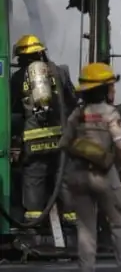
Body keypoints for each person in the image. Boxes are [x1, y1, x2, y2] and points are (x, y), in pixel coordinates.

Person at [58, 62, 121, 272]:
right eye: (111, 86)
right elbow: (120, 145)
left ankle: (86, 269)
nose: (113, 90)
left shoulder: (77, 114)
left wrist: (83, 148)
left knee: (85, 228)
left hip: (78, 176)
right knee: (119, 223)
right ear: (103, 89)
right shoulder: (110, 113)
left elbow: (64, 144)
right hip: (104, 175)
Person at [10, 34, 78, 223]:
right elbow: (73, 101)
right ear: (41, 53)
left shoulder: (18, 77)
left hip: (33, 140)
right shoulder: (60, 72)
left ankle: (34, 220)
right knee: (63, 176)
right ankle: (71, 218)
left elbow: (12, 108)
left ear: (22, 58)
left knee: (34, 177)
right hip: (60, 137)